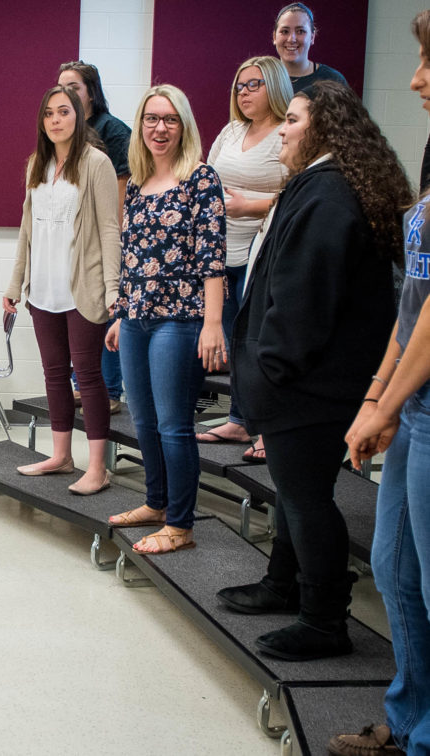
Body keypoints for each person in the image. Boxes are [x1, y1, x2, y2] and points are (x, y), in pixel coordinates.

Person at [218, 82, 411, 662]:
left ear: (324, 129)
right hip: (312, 382)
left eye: (294, 119)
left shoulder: (327, 195)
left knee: (306, 499)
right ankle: (283, 585)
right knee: (294, 493)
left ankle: (324, 621)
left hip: (309, 385)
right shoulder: (325, 185)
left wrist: (269, 372)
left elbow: (304, 301)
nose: (282, 127)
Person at [328, 12, 430, 754]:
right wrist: (378, 399)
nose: (415, 78)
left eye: (429, 63)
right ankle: (409, 721)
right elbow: (414, 300)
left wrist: (384, 405)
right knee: (396, 569)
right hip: (415, 402)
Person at [104, 85, 227, 553]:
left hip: (182, 318)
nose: (160, 128)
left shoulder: (201, 178)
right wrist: (120, 315)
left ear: (184, 126)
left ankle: (180, 524)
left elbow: (212, 258)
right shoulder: (135, 181)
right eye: (152, 119)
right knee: (144, 419)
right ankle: (155, 503)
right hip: (136, 317)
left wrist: (213, 323)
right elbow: (132, 255)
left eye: (170, 119)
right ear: (141, 126)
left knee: (175, 424)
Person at [3, 85, 121, 495]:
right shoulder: (37, 163)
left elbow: (109, 228)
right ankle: (61, 455)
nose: (56, 120)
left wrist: (113, 289)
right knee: (54, 373)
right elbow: (26, 229)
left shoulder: (97, 163)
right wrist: (15, 284)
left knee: (87, 375)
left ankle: (98, 467)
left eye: (64, 112)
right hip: (43, 290)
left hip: (83, 289)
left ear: (79, 117)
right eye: (49, 113)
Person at [196, 56, 291, 462]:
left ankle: (268, 428)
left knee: (259, 345)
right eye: (239, 86)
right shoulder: (232, 130)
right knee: (235, 345)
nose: (244, 92)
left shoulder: (287, 132)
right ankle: (238, 419)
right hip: (222, 251)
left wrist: (252, 204)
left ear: (275, 86)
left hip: (263, 251)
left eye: (254, 84)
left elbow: (301, 193)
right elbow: (207, 173)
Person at [58, 60, 130, 414]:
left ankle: (111, 391)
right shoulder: (66, 131)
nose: (66, 93)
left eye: (74, 86)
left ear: (91, 92)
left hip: (108, 237)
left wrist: (110, 242)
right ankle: (81, 384)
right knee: (81, 312)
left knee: (105, 311)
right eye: (61, 86)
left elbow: (121, 191)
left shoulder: (113, 131)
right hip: (76, 240)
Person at [272, 3, 347, 94]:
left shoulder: (333, 80)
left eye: (300, 31)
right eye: (285, 31)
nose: (291, 39)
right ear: (274, 37)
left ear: (312, 37)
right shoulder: (261, 79)